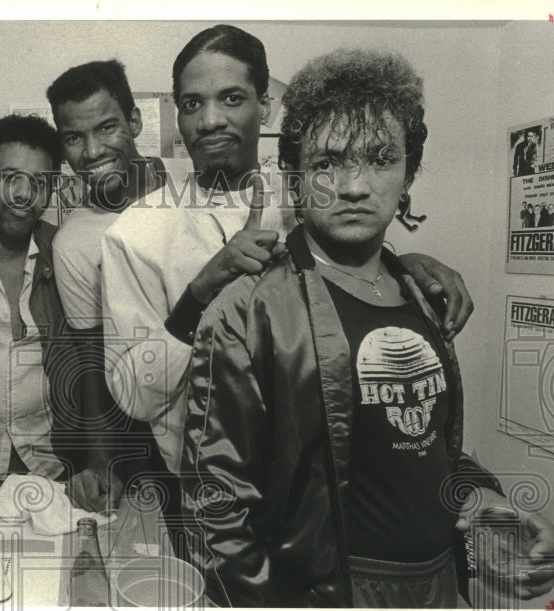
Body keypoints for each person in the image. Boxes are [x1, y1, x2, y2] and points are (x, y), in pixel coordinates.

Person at [181, 48, 554, 607]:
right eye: (328, 163)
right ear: (294, 176)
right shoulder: (249, 308)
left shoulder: (423, 295)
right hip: (329, 600)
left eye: (381, 158)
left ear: (408, 173)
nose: (355, 186)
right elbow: (215, 501)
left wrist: (481, 503)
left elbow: (422, 450)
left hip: (438, 588)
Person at [100, 25, 476, 496]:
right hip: (210, 492)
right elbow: (135, 396)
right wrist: (200, 292)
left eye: (232, 98)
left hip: (330, 483)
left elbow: (355, 288)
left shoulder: (319, 189)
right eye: (193, 103)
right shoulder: (134, 234)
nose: (211, 119)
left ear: (266, 105)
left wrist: (404, 267)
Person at [46, 59, 171, 511]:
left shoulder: (189, 193)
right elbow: (92, 367)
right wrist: (102, 463)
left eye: (107, 128)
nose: (93, 150)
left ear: (134, 121)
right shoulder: (73, 242)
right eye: (74, 138)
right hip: (143, 444)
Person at [0, 114, 88, 484]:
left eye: (41, 182)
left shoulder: (63, 250)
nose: (23, 194)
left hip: (52, 468)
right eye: (8, 177)